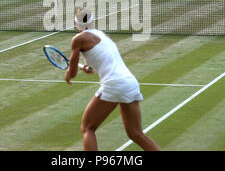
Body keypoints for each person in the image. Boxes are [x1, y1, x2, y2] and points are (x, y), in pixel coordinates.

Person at [65, 8, 160, 151]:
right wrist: (88, 68)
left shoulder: (78, 39)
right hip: (130, 82)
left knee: (87, 128)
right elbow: (102, 61)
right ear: (93, 22)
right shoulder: (103, 35)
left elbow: (72, 73)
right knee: (136, 134)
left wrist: (68, 74)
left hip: (114, 84)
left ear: (75, 23)